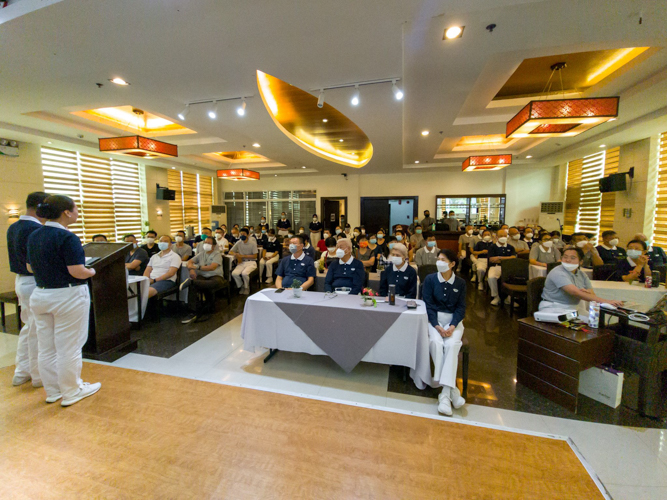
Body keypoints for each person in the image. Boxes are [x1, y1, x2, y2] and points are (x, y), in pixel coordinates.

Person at [27, 195, 100, 406]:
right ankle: (72, 390)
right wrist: (91, 270)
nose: (77, 212)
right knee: (70, 346)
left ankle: (53, 391)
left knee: (46, 346)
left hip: (41, 294)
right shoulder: (68, 237)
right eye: (76, 208)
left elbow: (31, 267)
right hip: (67, 296)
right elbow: (77, 271)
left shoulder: (34, 235)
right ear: (67, 212)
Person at [7, 191, 49, 388]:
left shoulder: (14, 227)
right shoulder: (35, 230)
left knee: (29, 327)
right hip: (33, 281)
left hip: (22, 281)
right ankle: (37, 374)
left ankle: (22, 371)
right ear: (40, 206)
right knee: (38, 330)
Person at [422, 248, 467, 416]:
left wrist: (453, 325)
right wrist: (436, 325)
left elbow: (461, 307)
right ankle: (452, 391)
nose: (439, 262)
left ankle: (445, 394)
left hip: (454, 322)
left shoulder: (460, 283)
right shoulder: (430, 279)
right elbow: (428, 303)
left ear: (452, 264)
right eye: (438, 258)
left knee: (453, 345)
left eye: (443, 259)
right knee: (436, 342)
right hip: (434, 320)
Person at [540, 247, 623, 311]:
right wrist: (606, 301)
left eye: (573, 258)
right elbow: (574, 292)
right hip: (553, 306)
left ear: (581, 261)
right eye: (565, 257)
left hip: (572, 307)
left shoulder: (582, 274)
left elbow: (591, 294)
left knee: (593, 322)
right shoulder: (558, 272)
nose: (568, 260)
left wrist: (587, 293)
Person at [181, 236, 225, 324]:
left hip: (215, 276)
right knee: (194, 284)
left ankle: (193, 282)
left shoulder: (217, 254)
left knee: (214, 282)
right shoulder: (201, 254)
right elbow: (190, 262)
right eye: (205, 242)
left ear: (213, 245)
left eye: (209, 243)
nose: (206, 244)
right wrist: (192, 270)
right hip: (202, 276)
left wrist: (197, 267)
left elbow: (212, 267)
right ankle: (192, 311)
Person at [488, 229, 516, 306]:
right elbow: (492, 259)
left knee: (513, 277)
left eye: (505, 235)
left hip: (509, 266)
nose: (503, 237)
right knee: (491, 277)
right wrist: (507, 258)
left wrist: (499, 257)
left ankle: (509, 297)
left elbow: (514, 257)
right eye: (501, 236)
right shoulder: (492, 247)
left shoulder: (511, 247)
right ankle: (496, 296)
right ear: (496, 237)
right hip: (496, 267)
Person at [229, 227, 258, 294]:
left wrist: (243, 256)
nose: (242, 236)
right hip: (242, 262)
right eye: (241, 234)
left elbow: (255, 256)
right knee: (234, 273)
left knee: (244, 273)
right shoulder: (239, 242)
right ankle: (241, 285)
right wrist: (236, 254)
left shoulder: (252, 243)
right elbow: (230, 251)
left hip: (251, 262)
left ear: (248, 235)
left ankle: (246, 287)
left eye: (244, 234)